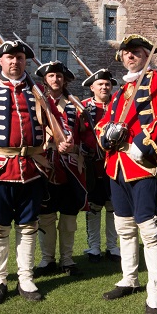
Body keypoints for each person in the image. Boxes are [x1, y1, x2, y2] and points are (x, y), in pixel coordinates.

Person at [0, 40, 71, 305]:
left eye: (19, 57)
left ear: (25, 61)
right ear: (1, 61)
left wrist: (61, 138)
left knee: (28, 226)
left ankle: (25, 277)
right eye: (9, 57)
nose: (15, 62)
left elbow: (57, 120)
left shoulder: (38, 92)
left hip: (31, 168)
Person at [95, 34, 157, 314]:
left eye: (136, 52)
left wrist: (141, 144)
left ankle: (155, 292)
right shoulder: (121, 92)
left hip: (142, 164)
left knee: (149, 231)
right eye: (126, 53)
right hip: (116, 166)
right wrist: (105, 136)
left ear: (147, 55)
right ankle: (129, 278)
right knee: (124, 227)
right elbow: (104, 122)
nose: (130, 56)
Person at [34, 61, 91, 277]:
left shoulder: (75, 105)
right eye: (51, 76)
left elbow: (87, 136)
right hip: (45, 166)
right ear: (45, 80)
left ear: (64, 79)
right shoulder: (38, 103)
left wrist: (75, 147)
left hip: (71, 169)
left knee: (68, 216)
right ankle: (47, 260)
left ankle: (67, 259)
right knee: (46, 215)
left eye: (59, 76)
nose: (55, 79)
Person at [81, 69, 121, 263]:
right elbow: (77, 133)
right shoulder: (83, 108)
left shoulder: (119, 106)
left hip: (115, 164)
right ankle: (93, 247)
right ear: (92, 87)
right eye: (100, 84)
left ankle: (113, 247)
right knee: (94, 208)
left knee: (113, 206)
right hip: (92, 165)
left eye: (107, 84)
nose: (104, 87)